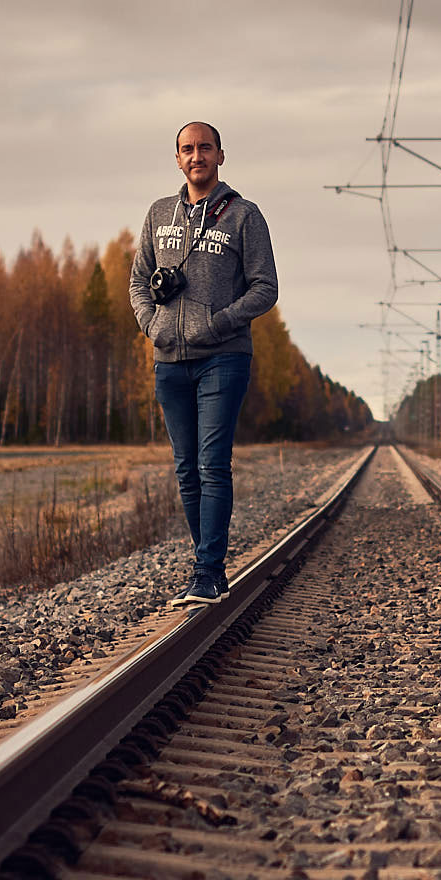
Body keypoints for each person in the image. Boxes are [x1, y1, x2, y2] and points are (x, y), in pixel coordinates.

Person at [129, 120, 278, 606]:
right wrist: (153, 326)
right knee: (186, 468)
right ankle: (205, 567)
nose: (197, 156)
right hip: (169, 360)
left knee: (213, 464)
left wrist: (217, 324)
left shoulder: (244, 217)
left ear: (220, 156)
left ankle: (208, 572)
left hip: (224, 358)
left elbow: (265, 288)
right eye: (188, 150)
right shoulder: (158, 214)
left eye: (205, 148)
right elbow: (138, 281)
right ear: (178, 159)